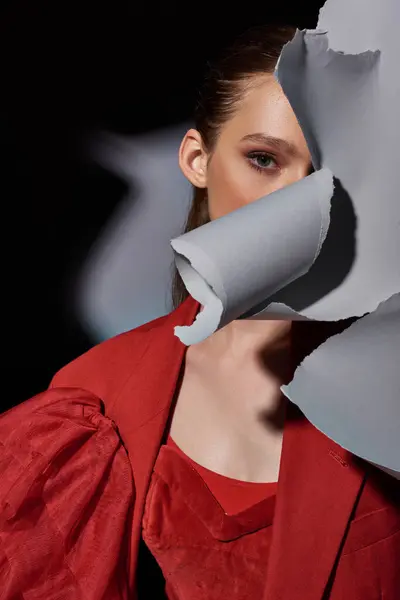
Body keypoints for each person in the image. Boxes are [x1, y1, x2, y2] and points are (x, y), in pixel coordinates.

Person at [1, 23, 399, 600]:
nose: (299, 201)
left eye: (333, 176)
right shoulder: (93, 406)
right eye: (263, 159)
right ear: (197, 160)